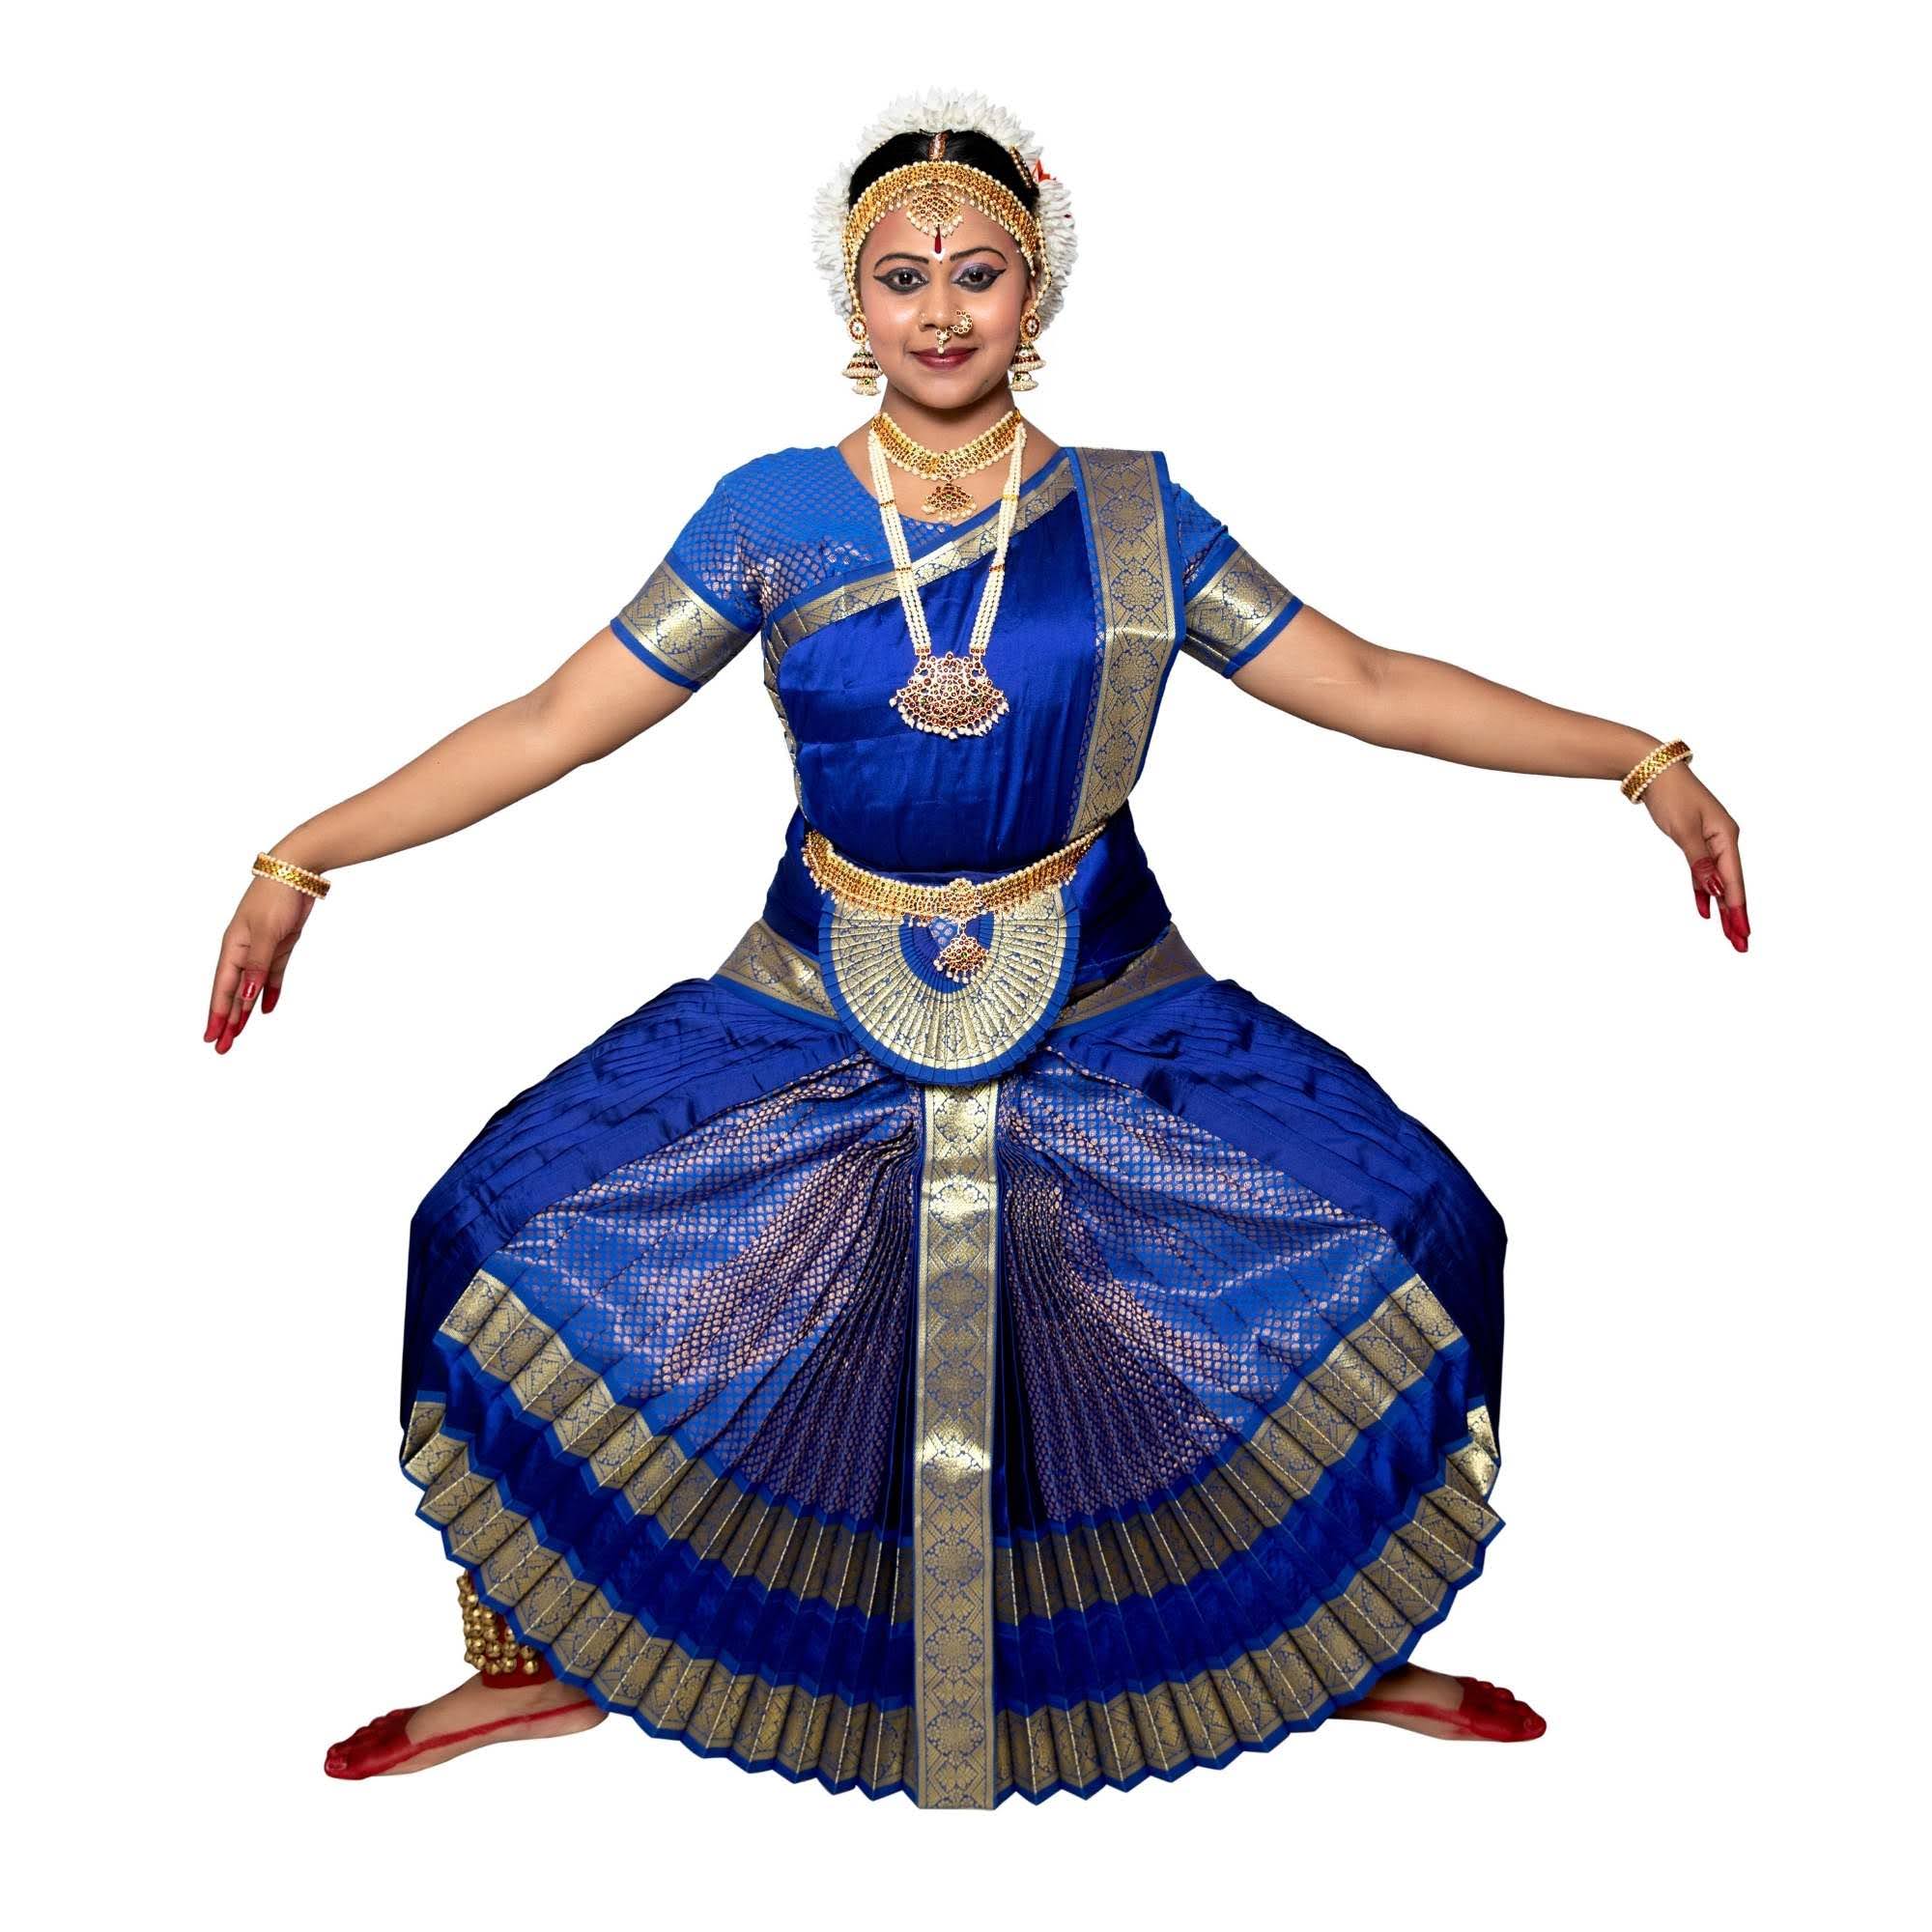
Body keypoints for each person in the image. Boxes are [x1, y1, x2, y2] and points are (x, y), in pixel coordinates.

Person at [207, 90, 1748, 1808]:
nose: (939, 312)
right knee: (479, 1228)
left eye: (978, 274)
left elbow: (1371, 685)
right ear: (852, 300)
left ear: (1037, 290)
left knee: (1424, 1225)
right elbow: (556, 721)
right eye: (901, 277)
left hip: (1109, 995)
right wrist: (306, 856)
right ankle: (535, 1663)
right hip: (815, 992)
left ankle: (1332, 1641)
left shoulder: (1139, 516)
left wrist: (1637, 760)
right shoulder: (773, 515)